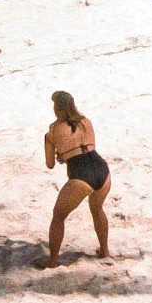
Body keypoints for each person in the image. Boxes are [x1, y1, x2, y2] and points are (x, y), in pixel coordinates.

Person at [40, 90, 112, 269]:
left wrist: (49, 144)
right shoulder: (86, 122)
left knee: (58, 217)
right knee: (97, 209)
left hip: (81, 175)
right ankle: (104, 250)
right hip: (102, 170)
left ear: (57, 109)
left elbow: (50, 164)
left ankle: (53, 261)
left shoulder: (53, 130)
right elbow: (83, 147)